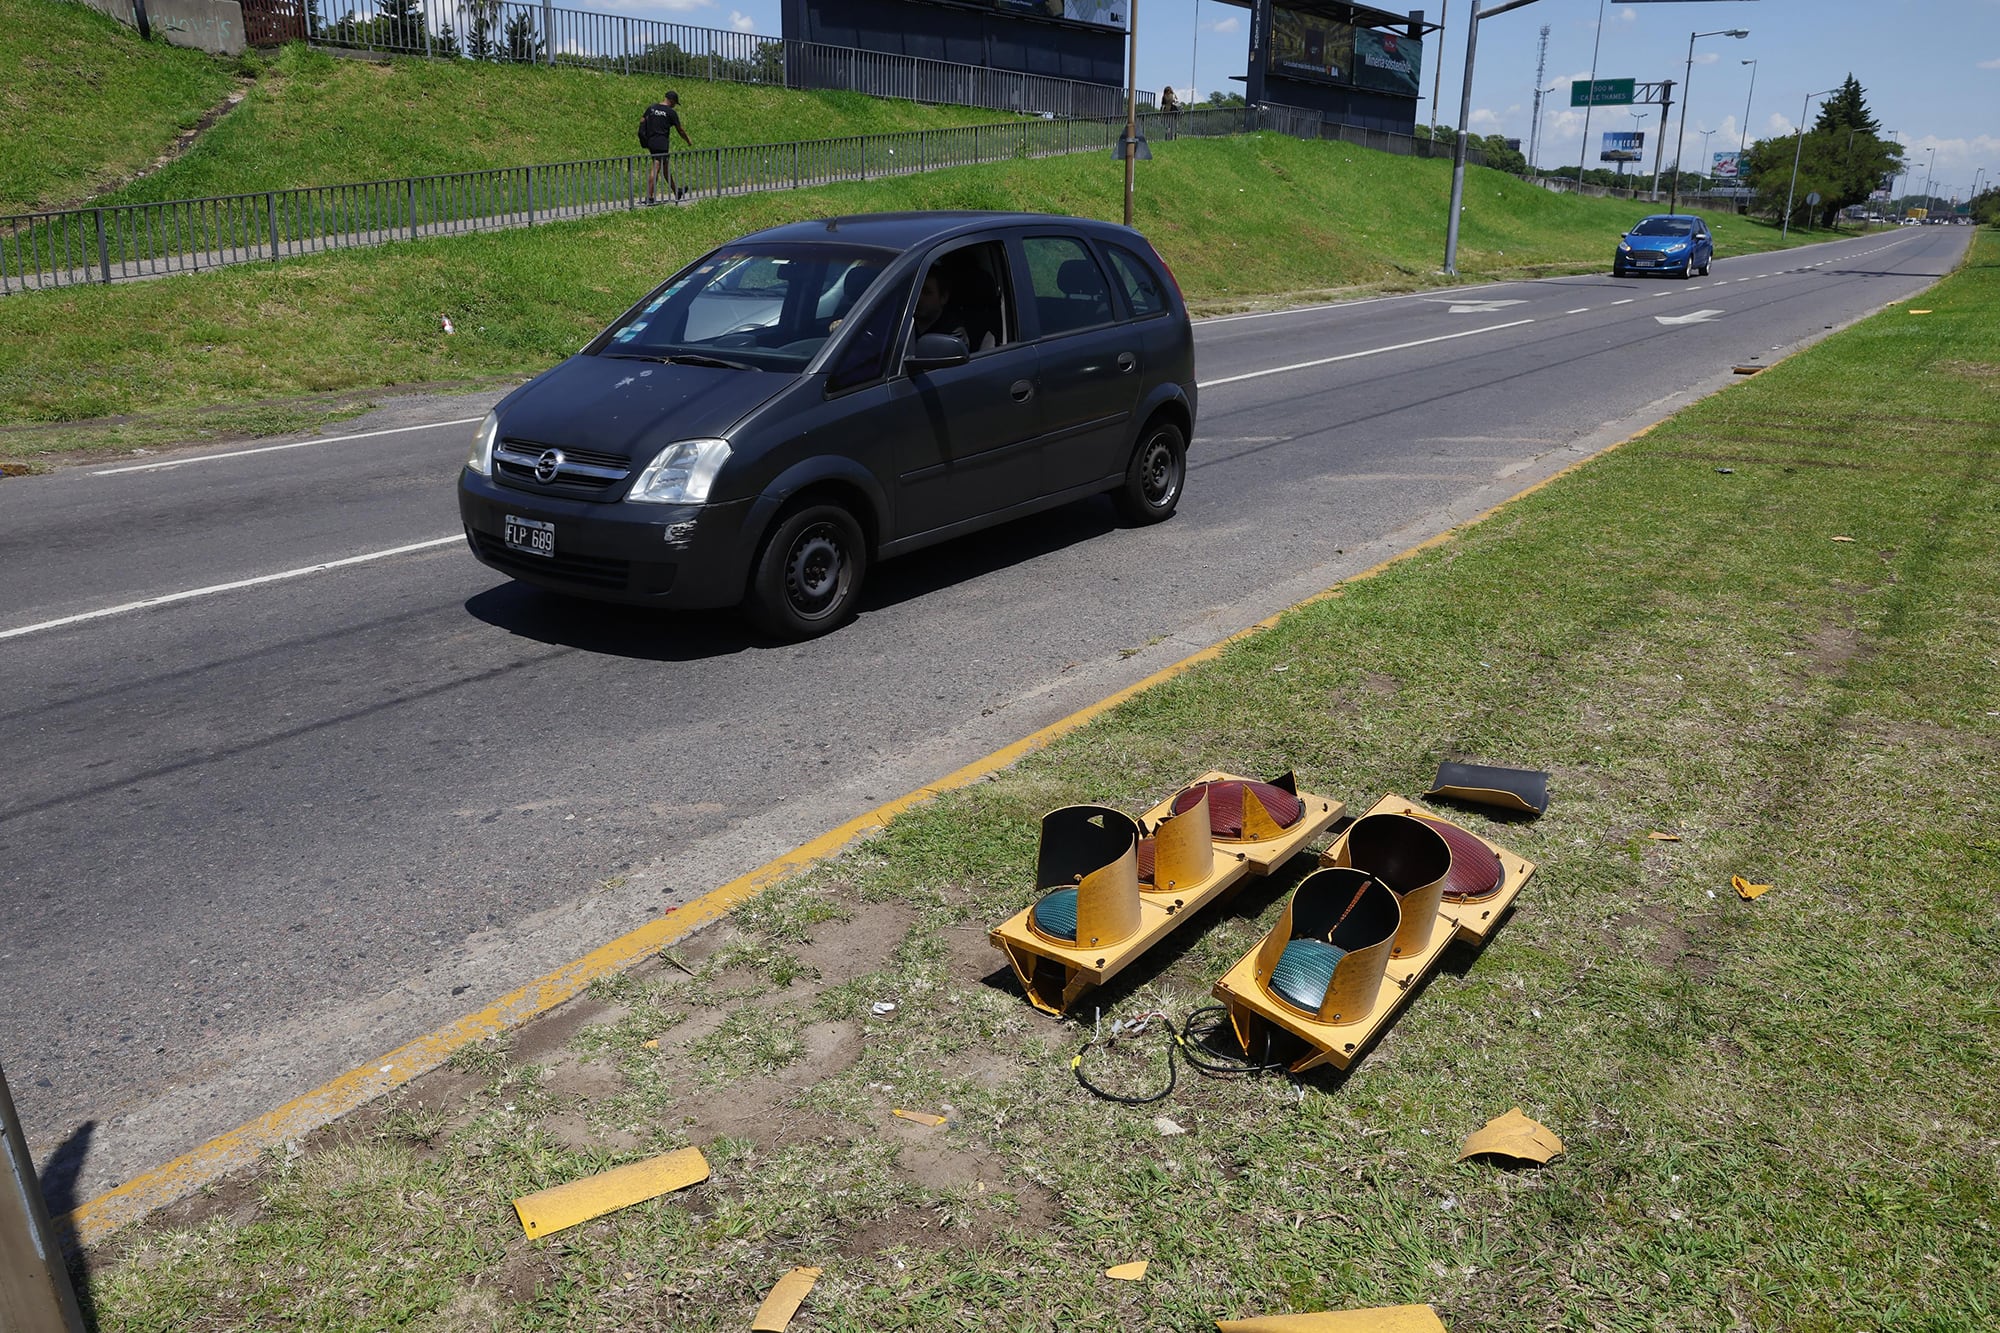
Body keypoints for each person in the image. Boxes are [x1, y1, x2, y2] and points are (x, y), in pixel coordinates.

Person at [640, 90, 692, 205]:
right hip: (662, 143)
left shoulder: (652, 108)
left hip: (651, 141)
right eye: (675, 103)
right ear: (672, 100)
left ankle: (676, 191)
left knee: (665, 168)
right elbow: (680, 130)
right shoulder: (670, 112)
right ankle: (649, 197)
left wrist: (644, 138)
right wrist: (688, 140)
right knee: (656, 168)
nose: (674, 105)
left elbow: (642, 121)